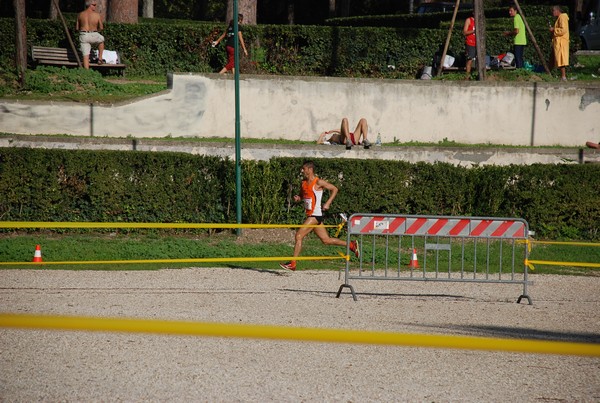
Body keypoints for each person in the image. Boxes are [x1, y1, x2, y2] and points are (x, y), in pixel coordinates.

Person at [279, 161, 360, 271]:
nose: (302, 171)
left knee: (298, 236)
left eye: (304, 169)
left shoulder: (318, 182)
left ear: (310, 169)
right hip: (313, 215)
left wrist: (328, 203)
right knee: (326, 240)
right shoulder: (303, 183)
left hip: (315, 216)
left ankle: (293, 263)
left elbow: (334, 189)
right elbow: (303, 196)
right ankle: (351, 245)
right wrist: (298, 198)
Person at [76, 0, 104, 70]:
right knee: (101, 40)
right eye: (94, 5)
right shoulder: (97, 15)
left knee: (85, 55)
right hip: (94, 34)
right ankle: (100, 58)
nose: (95, 6)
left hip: (84, 35)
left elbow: (77, 28)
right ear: (90, 5)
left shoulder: (80, 14)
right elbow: (101, 27)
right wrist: (96, 30)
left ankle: (87, 73)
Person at [550, 5, 570, 81]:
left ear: (557, 10)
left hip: (562, 42)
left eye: (553, 11)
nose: (552, 13)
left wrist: (554, 30)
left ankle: (563, 76)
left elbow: (563, 30)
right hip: (558, 42)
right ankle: (549, 73)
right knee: (555, 58)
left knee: (561, 59)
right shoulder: (559, 18)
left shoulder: (562, 17)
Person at [463, 12, 476, 79]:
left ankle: (476, 75)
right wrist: (473, 31)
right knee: (469, 60)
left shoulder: (480, 20)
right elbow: (464, 32)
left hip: (477, 44)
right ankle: (467, 77)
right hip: (470, 43)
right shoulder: (469, 20)